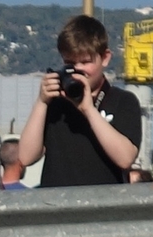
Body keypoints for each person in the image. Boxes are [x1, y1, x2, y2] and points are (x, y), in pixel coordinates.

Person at [16, 15, 144, 188]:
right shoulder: (56, 103)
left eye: (85, 62)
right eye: (70, 63)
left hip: (103, 207)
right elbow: (26, 157)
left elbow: (125, 159)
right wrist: (42, 102)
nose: (78, 70)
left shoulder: (123, 101)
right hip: (57, 206)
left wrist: (89, 110)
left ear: (105, 58)